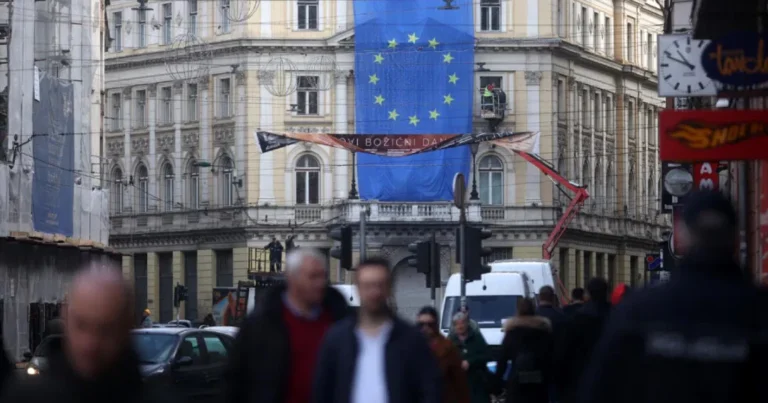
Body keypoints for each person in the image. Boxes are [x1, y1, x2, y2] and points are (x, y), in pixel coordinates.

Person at [578, 190, 768, 403]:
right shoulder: (760, 311)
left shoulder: (639, 309)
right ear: (736, 236)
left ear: (681, 234)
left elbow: (600, 389)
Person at [0, 268, 179, 403]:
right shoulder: (25, 396)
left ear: (127, 327)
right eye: (81, 325)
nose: (90, 344)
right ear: (65, 318)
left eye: (105, 330)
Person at [224, 249, 350, 403]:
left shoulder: (339, 318)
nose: (320, 283)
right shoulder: (262, 324)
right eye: (313, 276)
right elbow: (237, 379)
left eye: (323, 276)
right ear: (292, 278)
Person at [313, 256, 441, 403]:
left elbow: (430, 391)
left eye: (379, 285)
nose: (374, 292)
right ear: (358, 288)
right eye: (368, 285)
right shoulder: (336, 339)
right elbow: (322, 391)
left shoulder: (412, 340)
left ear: (389, 288)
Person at [552, 277, 610, 403]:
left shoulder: (577, 318)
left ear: (588, 294)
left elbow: (564, 351)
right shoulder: (617, 315)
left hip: (580, 378)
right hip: (609, 379)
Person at [496, 298, 553, 403]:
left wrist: (497, 382)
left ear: (518, 310)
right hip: (538, 382)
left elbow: (502, 359)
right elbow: (551, 357)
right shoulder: (543, 332)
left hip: (516, 381)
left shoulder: (512, 333)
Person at [417, 306, 470, 403]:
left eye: (430, 324)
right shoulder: (411, 347)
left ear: (436, 324)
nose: (425, 328)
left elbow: (460, 384)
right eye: (421, 324)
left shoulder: (448, 348)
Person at [449, 311, 491, 403]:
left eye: (462, 323)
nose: (460, 326)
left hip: (477, 385)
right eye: (457, 324)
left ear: (467, 323)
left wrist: (470, 362)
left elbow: (487, 355)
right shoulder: (450, 341)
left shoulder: (476, 338)